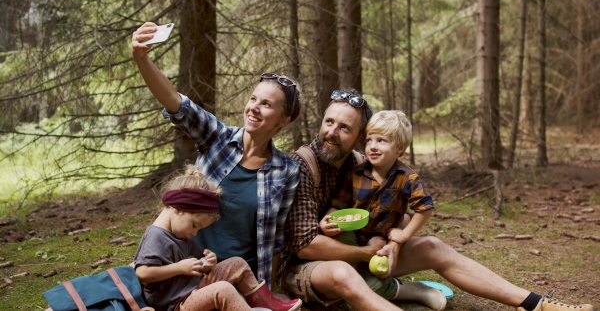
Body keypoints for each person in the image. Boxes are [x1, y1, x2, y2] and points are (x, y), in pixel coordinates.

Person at [280, 89, 595, 311]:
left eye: (344, 127)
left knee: (433, 246)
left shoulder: (361, 164)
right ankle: (400, 291)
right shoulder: (303, 166)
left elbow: (401, 215)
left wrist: (395, 243)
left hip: (363, 254)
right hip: (308, 270)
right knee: (343, 274)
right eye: (328, 122)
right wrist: (365, 253)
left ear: (359, 137)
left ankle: (534, 303)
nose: (332, 132)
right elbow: (305, 245)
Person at [131, 22, 301, 289]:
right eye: (253, 99)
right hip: (188, 270)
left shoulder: (287, 171)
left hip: (239, 277)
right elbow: (175, 101)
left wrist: (267, 292)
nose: (254, 108)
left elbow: (274, 240)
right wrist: (141, 57)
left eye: (266, 104)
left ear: (283, 121)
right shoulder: (217, 138)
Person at [319, 109, 446, 310]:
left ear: (399, 148)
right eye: (369, 140)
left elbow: (425, 209)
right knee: (342, 242)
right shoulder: (356, 173)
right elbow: (339, 204)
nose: (373, 147)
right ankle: (357, 285)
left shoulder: (406, 178)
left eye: (382, 141)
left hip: (379, 243)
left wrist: (403, 235)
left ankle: (402, 288)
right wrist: (328, 220)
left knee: (371, 285)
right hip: (352, 239)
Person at [134, 165, 302, 311]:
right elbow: (142, 273)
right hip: (176, 304)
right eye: (194, 225)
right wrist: (180, 268)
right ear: (178, 209)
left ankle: (266, 304)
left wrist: (207, 262)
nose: (194, 233)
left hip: (191, 287)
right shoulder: (156, 236)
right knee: (223, 290)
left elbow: (198, 262)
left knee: (237, 263)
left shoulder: (179, 233)